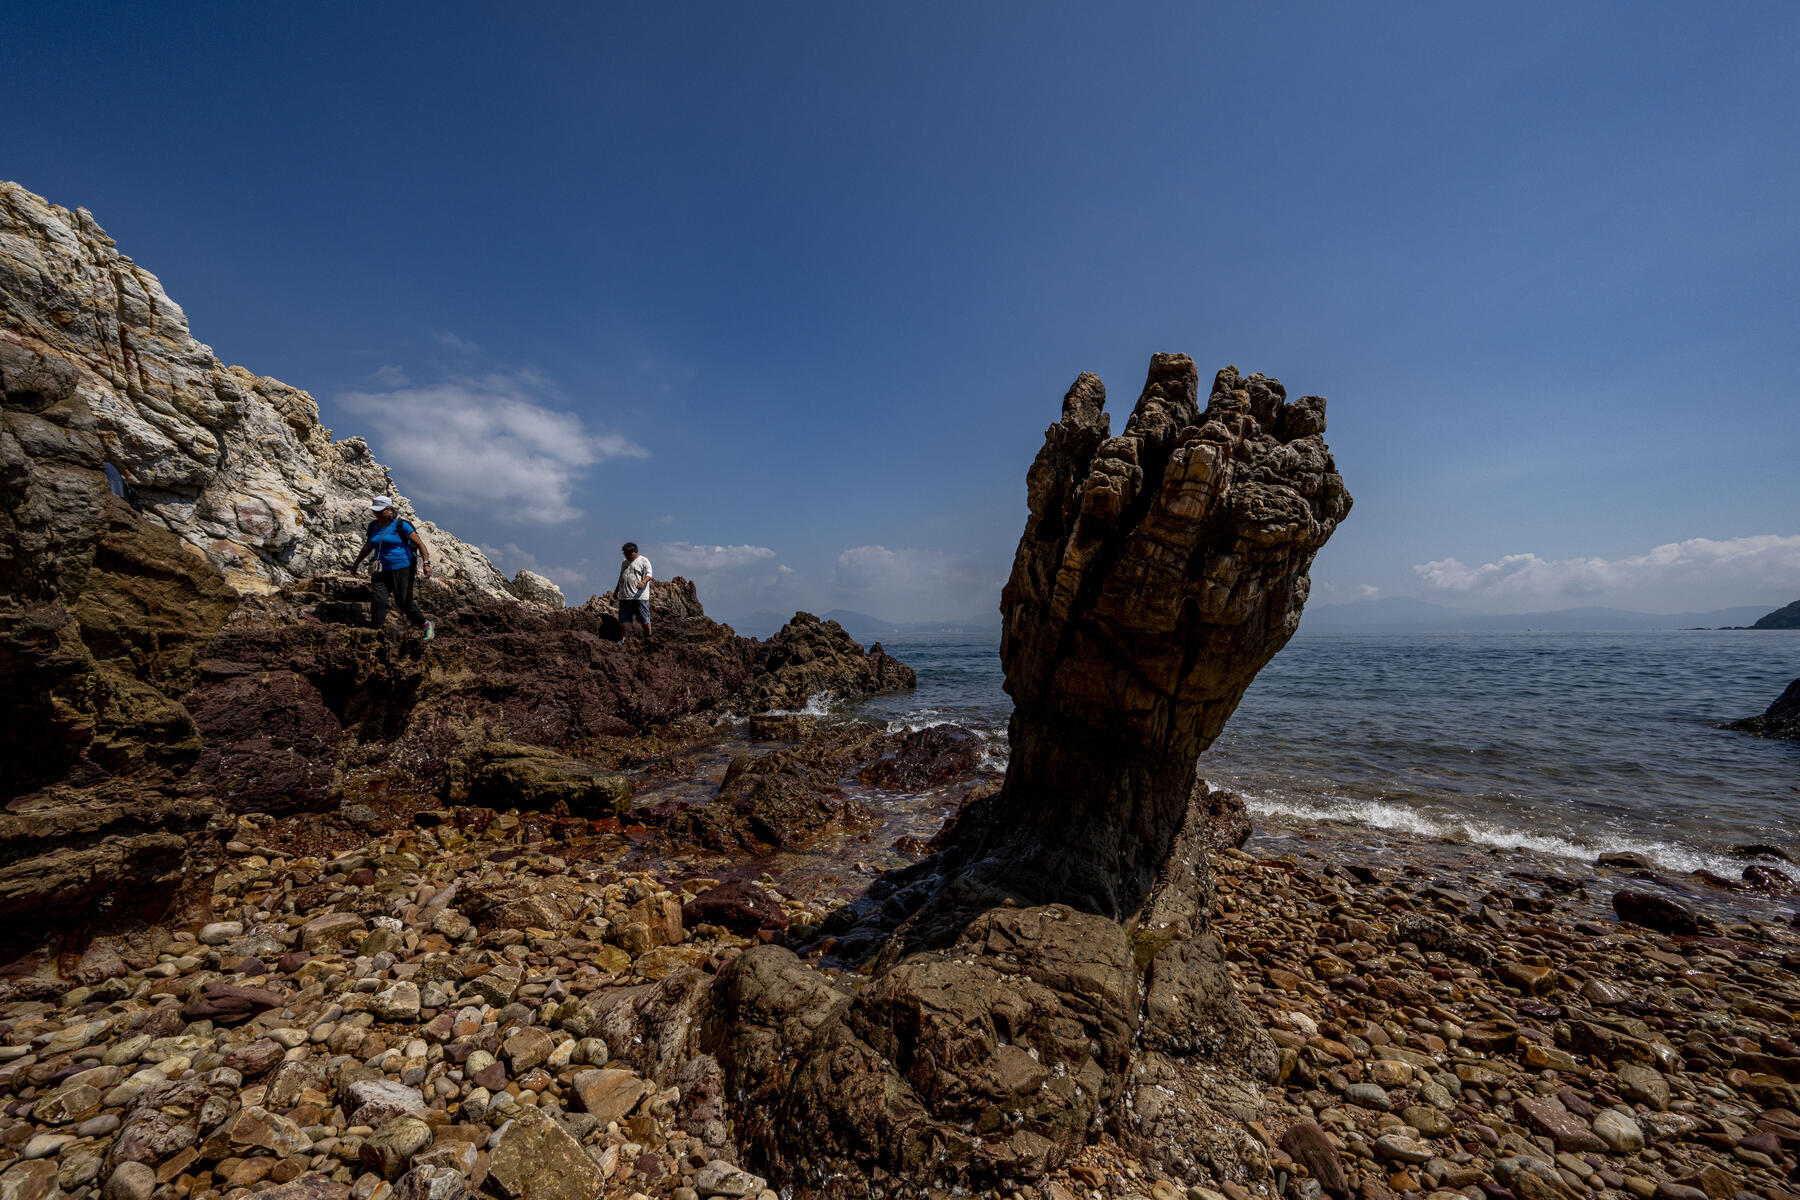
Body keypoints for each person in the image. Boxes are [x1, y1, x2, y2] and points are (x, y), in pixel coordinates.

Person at [349, 495, 435, 640]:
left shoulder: (401, 525)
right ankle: (377, 631)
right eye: (375, 511)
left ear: (390, 510)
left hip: (402, 568)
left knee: (403, 602)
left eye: (381, 511)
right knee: (378, 600)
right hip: (380, 569)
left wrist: (426, 564)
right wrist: (356, 563)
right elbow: (368, 546)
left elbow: (420, 544)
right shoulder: (373, 526)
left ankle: (426, 625)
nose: (377, 514)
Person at [617, 542, 653, 641]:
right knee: (623, 619)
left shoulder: (643, 560)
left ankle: (649, 637)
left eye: (629, 554)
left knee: (644, 618)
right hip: (624, 596)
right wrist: (616, 591)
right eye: (625, 554)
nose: (627, 556)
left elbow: (649, 574)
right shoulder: (624, 562)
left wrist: (643, 582)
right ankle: (624, 639)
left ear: (635, 552)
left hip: (639, 596)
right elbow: (621, 578)